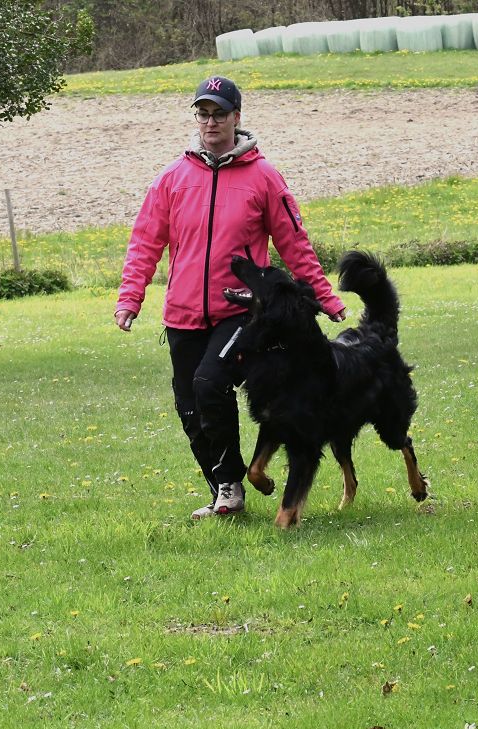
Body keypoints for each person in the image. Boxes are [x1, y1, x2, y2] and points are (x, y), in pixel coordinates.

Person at [114, 75, 346, 520]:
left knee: (209, 383)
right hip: (181, 314)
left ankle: (232, 478)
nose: (211, 121)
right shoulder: (173, 178)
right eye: (203, 113)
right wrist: (130, 298)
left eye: (220, 113)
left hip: (240, 312)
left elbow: (295, 244)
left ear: (237, 117)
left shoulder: (264, 177)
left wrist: (326, 299)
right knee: (189, 406)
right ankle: (227, 487)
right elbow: (145, 242)